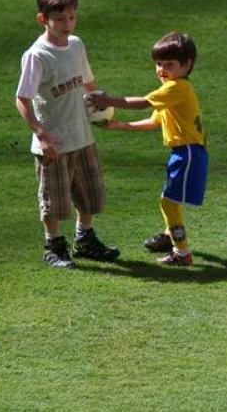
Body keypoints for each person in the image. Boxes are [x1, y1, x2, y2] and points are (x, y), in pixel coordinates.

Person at [15, 0, 121, 268]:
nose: (67, 24)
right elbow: (22, 99)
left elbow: (87, 81)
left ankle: (84, 239)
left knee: (91, 193)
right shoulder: (37, 56)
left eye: (71, 17)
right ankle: (53, 246)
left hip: (82, 136)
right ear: (43, 19)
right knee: (54, 199)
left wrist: (98, 105)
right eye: (59, 19)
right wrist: (41, 134)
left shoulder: (76, 45)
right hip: (54, 143)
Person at [89, 32, 208, 267]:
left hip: (189, 154)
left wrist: (109, 100)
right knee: (170, 200)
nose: (161, 69)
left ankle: (182, 253)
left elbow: (142, 102)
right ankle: (170, 235)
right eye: (158, 64)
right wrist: (121, 125)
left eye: (169, 64)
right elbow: (155, 121)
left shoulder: (177, 88)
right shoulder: (171, 92)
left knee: (168, 202)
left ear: (186, 66)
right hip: (183, 153)